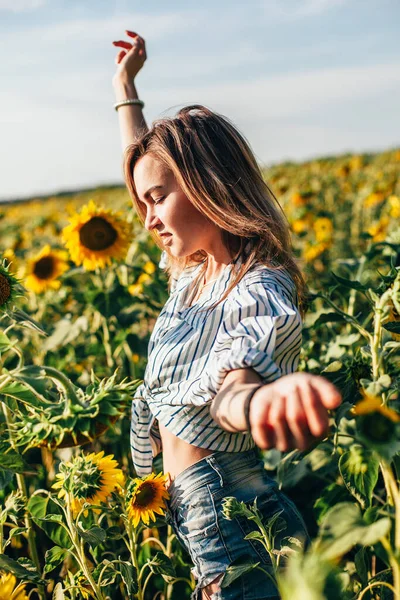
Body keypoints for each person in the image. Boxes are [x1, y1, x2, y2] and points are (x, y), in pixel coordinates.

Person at [112, 31, 342, 600]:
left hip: (230, 517)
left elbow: (233, 387)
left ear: (208, 186)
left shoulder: (256, 287)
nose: (147, 218)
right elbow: (150, 167)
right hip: (197, 507)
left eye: (158, 200)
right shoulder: (194, 271)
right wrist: (125, 90)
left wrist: (261, 402)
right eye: (143, 202)